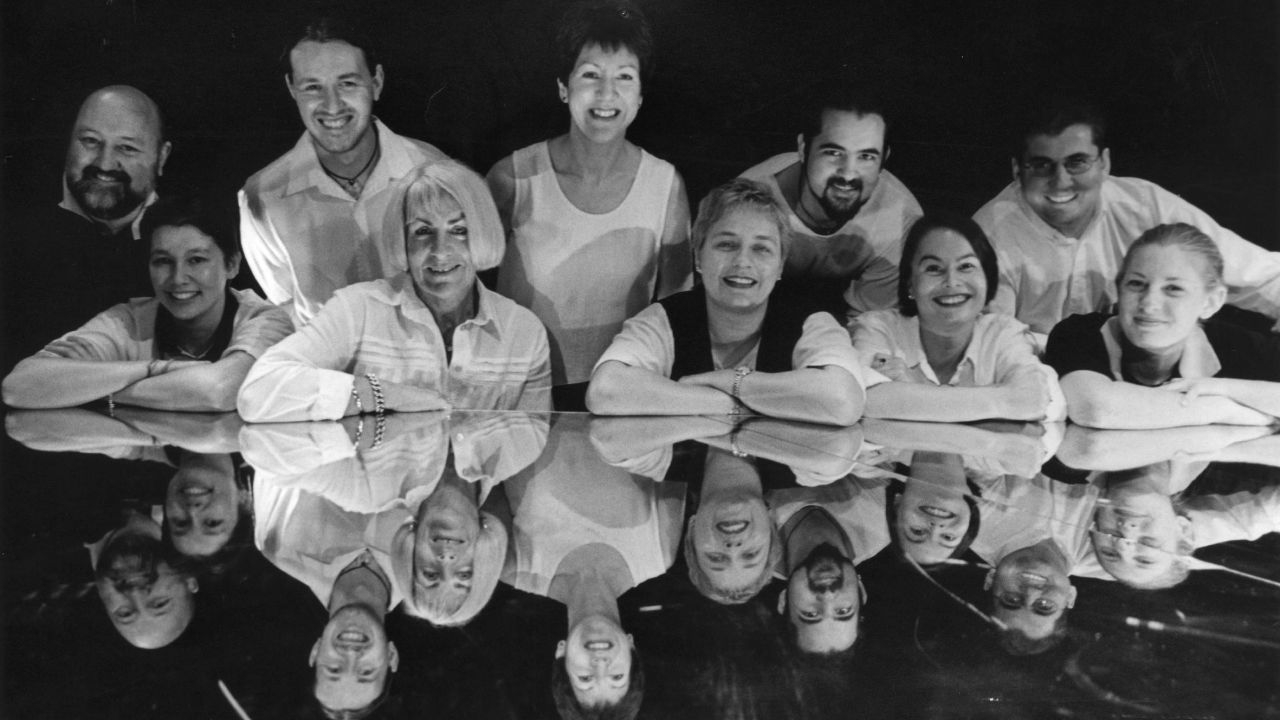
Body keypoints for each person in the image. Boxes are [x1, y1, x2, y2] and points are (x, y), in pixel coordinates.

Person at [488, 0, 692, 410]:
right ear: (564, 87)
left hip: (623, 400)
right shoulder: (512, 177)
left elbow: (679, 309)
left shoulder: (666, 185)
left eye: (624, 77)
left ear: (639, 95)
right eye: (590, 75)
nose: (606, 94)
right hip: (518, 397)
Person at [237, 159, 552, 422]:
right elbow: (258, 391)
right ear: (401, 239)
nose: (440, 252)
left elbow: (531, 448)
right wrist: (382, 395)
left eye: (459, 231)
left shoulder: (523, 332)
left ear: (483, 234)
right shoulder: (357, 310)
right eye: (422, 231)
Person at [973, 98, 1280, 343]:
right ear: (1017, 171)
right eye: (1041, 165)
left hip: (1144, 375)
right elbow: (993, 345)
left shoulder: (1145, 206)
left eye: (1077, 162)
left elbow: (1263, 276)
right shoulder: (988, 233)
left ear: (1104, 163)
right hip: (1036, 378)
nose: (1061, 181)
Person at [586, 178, 866, 425]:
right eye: (727, 245)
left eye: (761, 249)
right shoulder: (665, 319)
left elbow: (843, 402)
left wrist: (731, 382)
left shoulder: (812, 321)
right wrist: (730, 405)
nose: (743, 261)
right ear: (698, 256)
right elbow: (605, 391)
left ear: (780, 265)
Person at [239, 15, 449, 325]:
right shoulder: (262, 196)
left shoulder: (435, 171)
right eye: (313, 87)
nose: (332, 105)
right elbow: (285, 307)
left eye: (347, 83)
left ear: (376, 83)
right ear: (292, 89)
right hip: (327, 370)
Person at [2, 194, 293, 411]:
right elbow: (19, 386)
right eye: (163, 261)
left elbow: (217, 391)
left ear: (231, 265)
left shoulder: (265, 320)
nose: (178, 278)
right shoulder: (127, 321)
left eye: (196, 260)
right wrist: (155, 371)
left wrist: (88, 389)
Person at [1044, 223, 1280, 429]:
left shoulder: (1234, 344)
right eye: (1136, 284)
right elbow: (1095, 407)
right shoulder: (1079, 333)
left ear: (1211, 302)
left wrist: (1221, 387)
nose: (1149, 304)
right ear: (1119, 289)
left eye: (1173, 289)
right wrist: (1231, 411)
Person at [4, 85, 172, 363]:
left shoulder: (192, 236)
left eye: (127, 148)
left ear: (161, 157)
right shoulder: (13, 225)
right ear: (70, 141)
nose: (105, 164)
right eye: (91, 141)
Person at [850, 213, 1064, 421]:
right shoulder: (878, 329)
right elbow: (865, 400)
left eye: (966, 267)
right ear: (910, 284)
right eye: (933, 268)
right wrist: (1006, 400)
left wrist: (912, 391)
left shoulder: (1003, 333)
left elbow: (1035, 400)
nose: (951, 282)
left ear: (988, 278)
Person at [739, 80, 923, 319]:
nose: (848, 173)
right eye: (833, 153)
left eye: (866, 156)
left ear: (884, 159)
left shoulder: (902, 219)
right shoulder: (746, 202)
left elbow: (872, 327)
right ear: (803, 148)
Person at [89, 508, 200, 650]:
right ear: (189, 579)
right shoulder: (184, 504)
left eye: (125, 613)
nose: (135, 593)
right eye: (160, 604)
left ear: (101, 597)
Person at [773, 504, 866, 656]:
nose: (827, 595)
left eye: (810, 614)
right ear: (861, 590)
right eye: (843, 611)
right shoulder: (884, 519)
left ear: (784, 601)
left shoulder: (746, 547)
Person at [984, 538, 1076, 656]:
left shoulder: (971, 525)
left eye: (1012, 600)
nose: (1031, 592)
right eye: (1044, 606)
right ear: (1070, 596)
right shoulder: (1100, 561)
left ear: (991, 579)